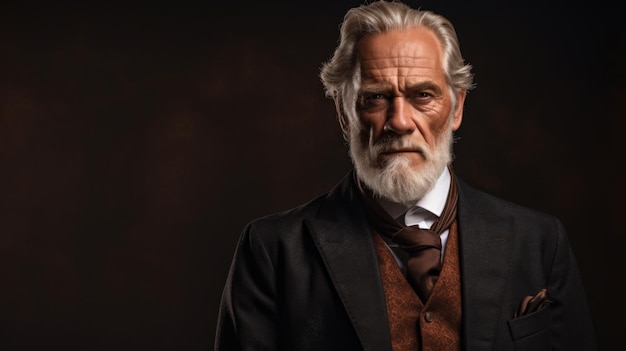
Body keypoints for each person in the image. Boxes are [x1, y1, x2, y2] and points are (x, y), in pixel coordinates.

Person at [214, 1, 597, 350]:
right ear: (344, 114)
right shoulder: (271, 250)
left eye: (423, 95)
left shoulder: (540, 242)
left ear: (457, 107)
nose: (399, 122)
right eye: (375, 97)